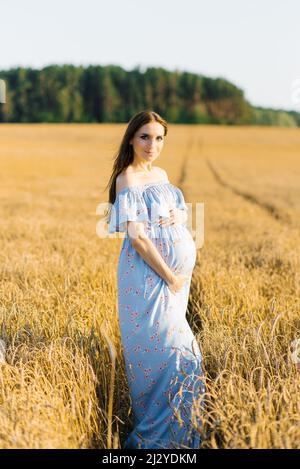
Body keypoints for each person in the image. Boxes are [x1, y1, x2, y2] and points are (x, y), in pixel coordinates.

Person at [105, 110, 205, 449]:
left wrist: (181, 214)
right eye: (145, 136)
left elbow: (174, 211)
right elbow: (138, 238)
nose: (152, 144)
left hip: (175, 284)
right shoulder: (127, 178)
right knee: (172, 356)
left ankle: (183, 437)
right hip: (149, 281)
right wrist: (170, 276)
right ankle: (156, 443)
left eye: (159, 138)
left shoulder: (160, 174)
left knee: (181, 358)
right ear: (131, 138)